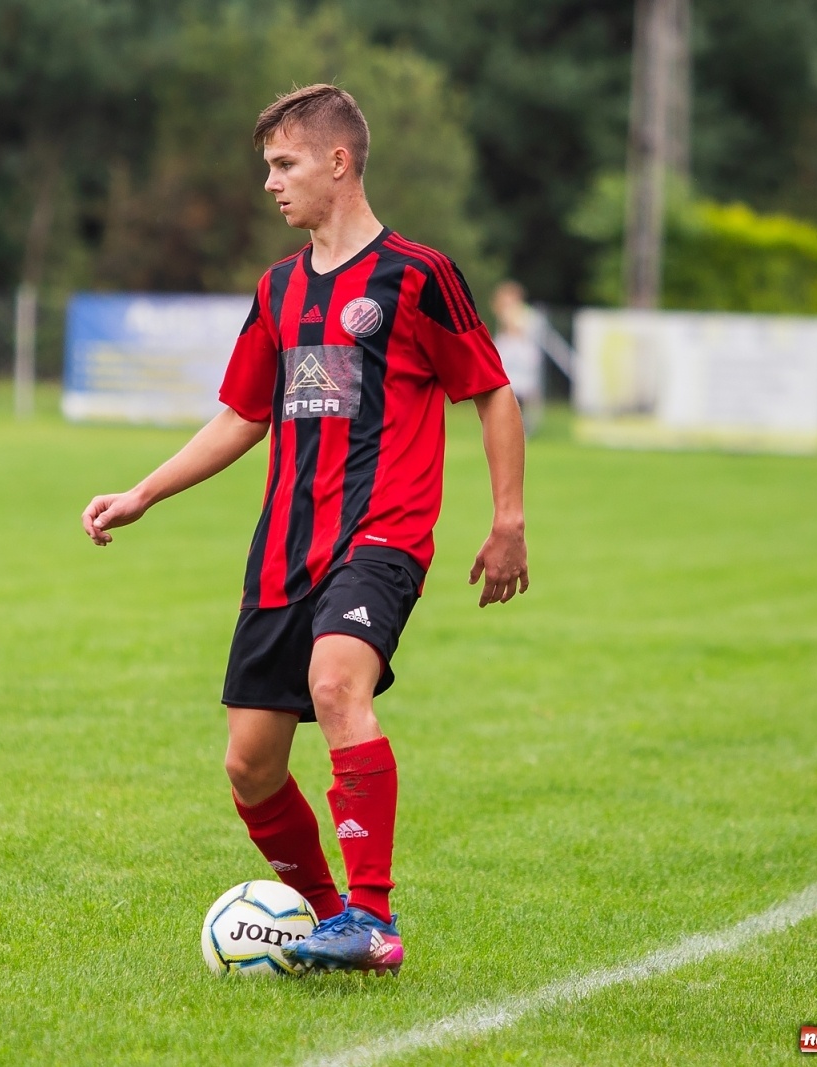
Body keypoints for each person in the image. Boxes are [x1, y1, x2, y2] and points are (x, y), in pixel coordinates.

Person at [80, 84, 528, 976]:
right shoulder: (278, 289)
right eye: (267, 168)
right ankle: (331, 919)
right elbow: (241, 417)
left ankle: (372, 914)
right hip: (284, 551)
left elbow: (491, 391)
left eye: (284, 165)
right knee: (250, 766)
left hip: (382, 538)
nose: (271, 184)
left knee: (335, 683)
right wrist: (144, 493)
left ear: (339, 161)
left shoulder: (418, 275)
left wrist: (507, 517)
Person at [491, 281, 546, 436]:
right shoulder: (503, 316)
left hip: (521, 359)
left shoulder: (525, 315)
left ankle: (523, 427)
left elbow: (523, 333)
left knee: (523, 395)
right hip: (510, 359)